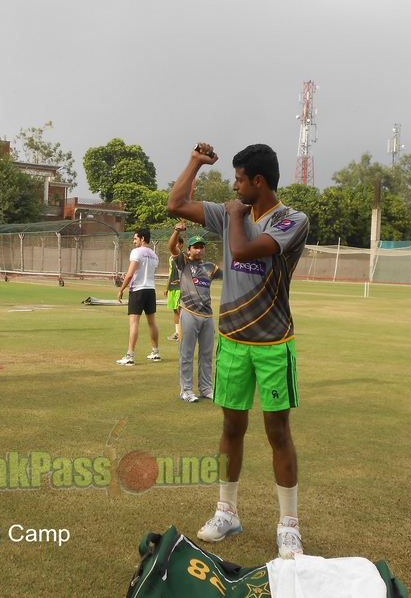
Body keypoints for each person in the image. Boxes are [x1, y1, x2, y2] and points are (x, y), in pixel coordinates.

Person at [166, 143, 310, 559]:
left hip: (273, 344)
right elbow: (177, 203)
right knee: (231, 429)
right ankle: (226, 511)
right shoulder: (232, 211)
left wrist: (232, 215)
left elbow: (245, 251)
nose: (234, 186)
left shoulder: (291, 220)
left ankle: (289, 526)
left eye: (239, 179)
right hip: (231, 342)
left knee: (277, 432)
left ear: (258, 182)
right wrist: (195, 161)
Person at [169, 228, 223, 403]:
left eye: (201, 247)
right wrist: (177, 231)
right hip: (189, 314)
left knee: (207, 354)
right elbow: (172, 246)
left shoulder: (210, 267)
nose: (199, 250)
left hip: (208, 316)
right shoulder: (184, 262)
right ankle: (186, 390)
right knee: (187, 353)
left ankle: (206, 388)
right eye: (195, 247)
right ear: (189, 250)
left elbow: (230, 275)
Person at [116, 227, 160, 365]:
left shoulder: (136, 252)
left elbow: (130, 274)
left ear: (142, 239)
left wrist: (121, 289)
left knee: (134, 323)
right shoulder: (154, 255)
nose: (134, 241)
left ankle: (130, 356)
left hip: (137, 291)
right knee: (152, 322)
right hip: (150, 290)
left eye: (135, 238)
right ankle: (156, 352)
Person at [164, 232, 183, 341]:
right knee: (175, 310)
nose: (175, 246)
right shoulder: (171, 258)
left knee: (181, 310)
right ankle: (177, 332)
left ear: (181, 245)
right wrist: (167, 287)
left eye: (177, 244)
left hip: (181, 287)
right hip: (172, 287)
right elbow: (170, 272)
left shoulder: (184, 256)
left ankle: (182, 332)